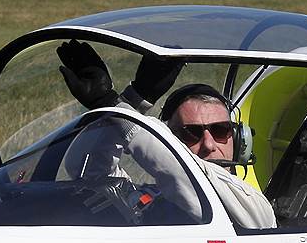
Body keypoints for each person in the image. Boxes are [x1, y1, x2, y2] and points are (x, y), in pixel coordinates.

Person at [57, 40, 276, 229]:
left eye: (220, 130)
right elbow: (87, 169)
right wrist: (133, 100)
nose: (209, 144)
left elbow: (185, 172)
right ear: (171, 138)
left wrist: (113, 104)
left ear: (238, 138)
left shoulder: (254, 207)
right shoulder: (149, 200)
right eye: (191, 133)